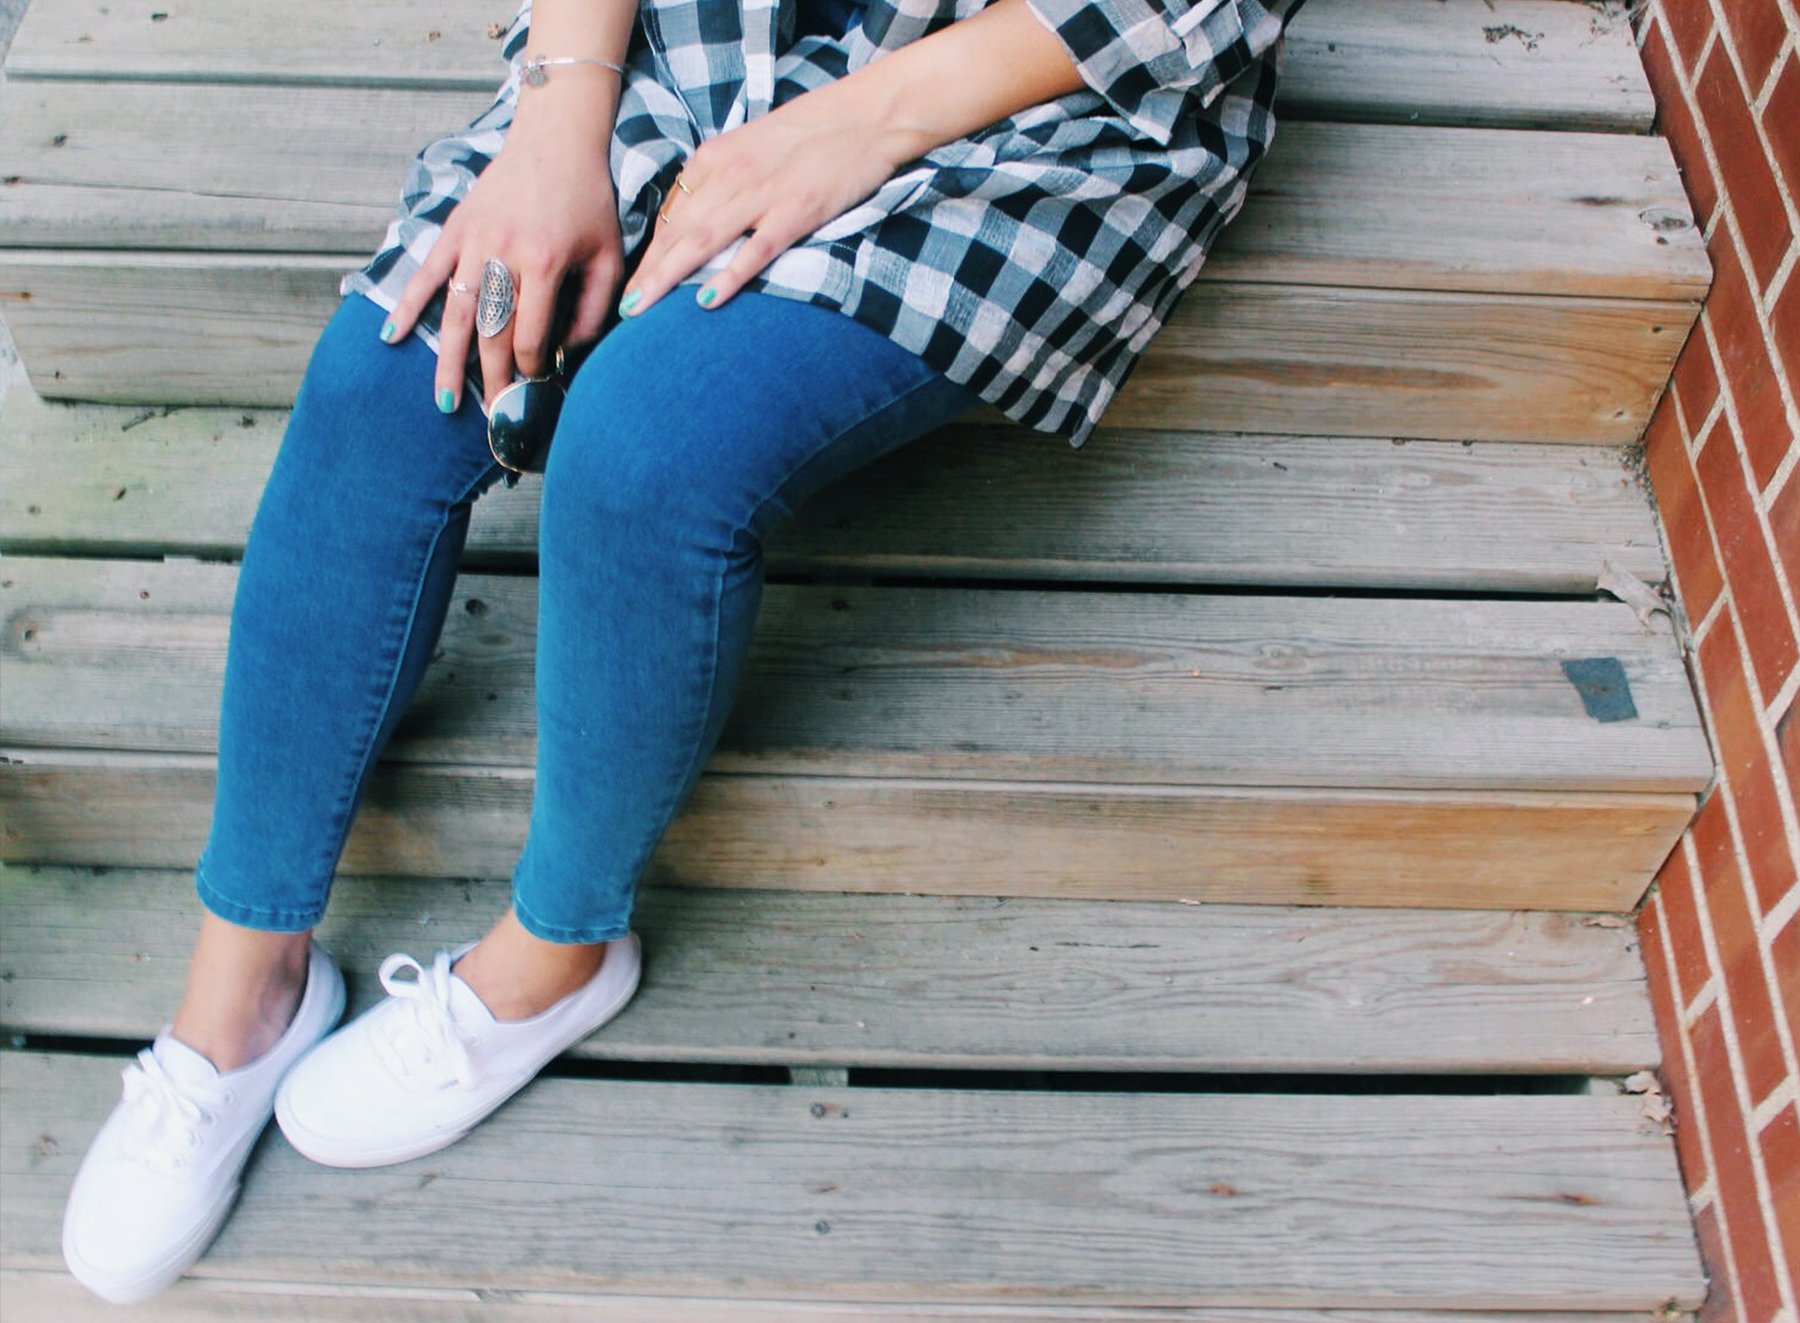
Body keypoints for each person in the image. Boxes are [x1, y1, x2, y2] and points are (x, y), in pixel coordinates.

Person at [58, 0, 1307, 1304]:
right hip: (710, 33)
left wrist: (859, 123)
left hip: (1038, 90)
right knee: (389, 382)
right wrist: (558, 113)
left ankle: (555, 960)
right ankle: (239, 997)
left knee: (648, 450)